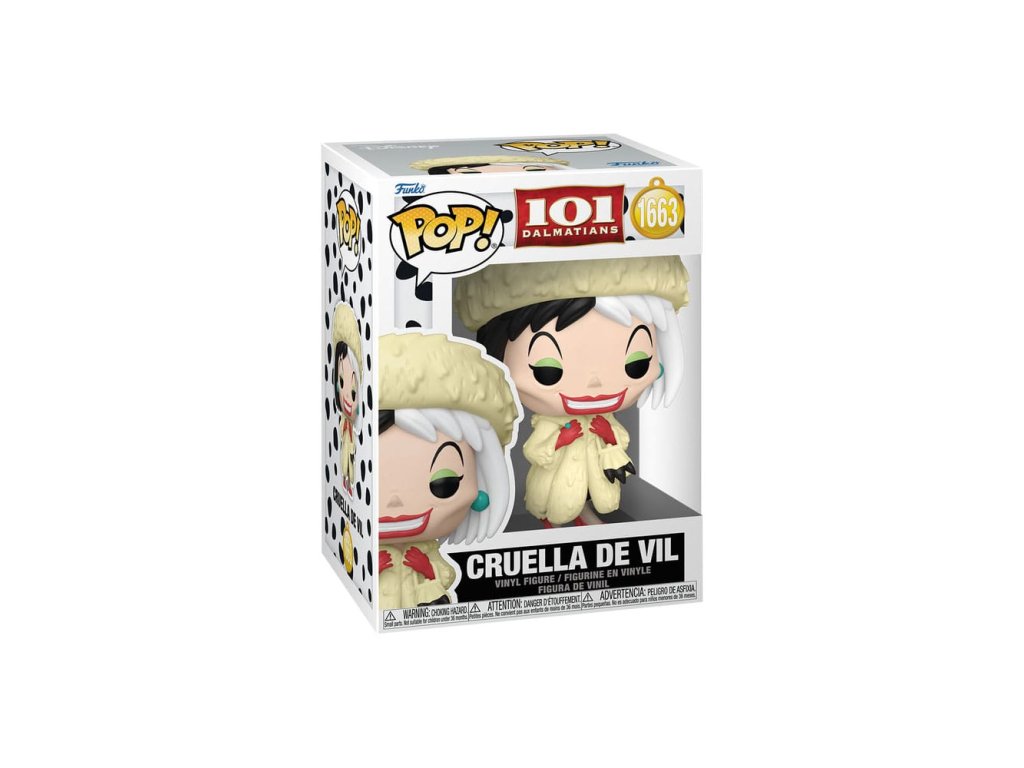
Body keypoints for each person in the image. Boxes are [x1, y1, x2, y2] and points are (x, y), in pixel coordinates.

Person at [455, 255, 689, 527]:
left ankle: (582, 517)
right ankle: (552, 525)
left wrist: (608, 435)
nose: (594, 384)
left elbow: (620, 441)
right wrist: (560, 440)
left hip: (593, 478)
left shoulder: (605, 418)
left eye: (635, 364)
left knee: (588, 497)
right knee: (553, 504)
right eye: (547, 369)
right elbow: (534, 451)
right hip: (555, 481)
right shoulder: (548, 423)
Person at [378, 332, 520, 609]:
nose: (395, 501)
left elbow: (446, 575)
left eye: (444, 483)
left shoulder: (426, 550)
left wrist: (426, 569)